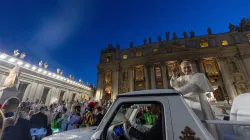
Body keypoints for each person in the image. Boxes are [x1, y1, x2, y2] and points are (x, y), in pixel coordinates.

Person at [170, 60, 222, 140]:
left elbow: (187, 88)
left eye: (188, 67)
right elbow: (174, 85)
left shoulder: (199, 76)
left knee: (205, 127)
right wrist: (174, 74)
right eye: (184, 68)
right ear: (181, 69)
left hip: (201, 105)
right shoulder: (181, 78)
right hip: (188, 106)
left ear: (192, 67)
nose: (187, 69)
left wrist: (169, 93)